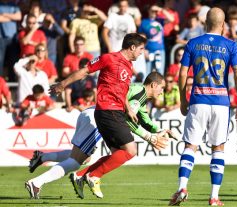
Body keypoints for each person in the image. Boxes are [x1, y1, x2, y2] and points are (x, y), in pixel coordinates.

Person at [49, 33, 174, 200]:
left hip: (111, 112)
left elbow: (121, 90)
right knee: (130, 151)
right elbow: (85, 71)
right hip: (108, 111)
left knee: (117, 153)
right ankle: (93, 176)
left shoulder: (129, 67)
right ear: (132, 47)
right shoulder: (109, 58)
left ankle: (81, 176)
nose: (142, 52)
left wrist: (128, 107)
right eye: (141, 49)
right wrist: (62, 84)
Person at [25, 72, 173, 199]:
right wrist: (149, 137)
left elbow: (145, 120)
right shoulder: (138, 95)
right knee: (77, 161)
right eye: (161, 87)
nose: (162, 91)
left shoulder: (139, 96)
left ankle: (43, 158)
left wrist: (159, 130)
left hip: (93, 114)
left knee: (87, 157)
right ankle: (37, 183)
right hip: (97, 119)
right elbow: (125, 119)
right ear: (153, 85)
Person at [168, 8, 237, 206]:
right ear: (224, 24)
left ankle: (182, 187)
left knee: (190, 146)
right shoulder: (231, 45)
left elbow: (183, 74)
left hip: (198, 100)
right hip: (221, 103)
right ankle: (214, 197)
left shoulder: (193, 43)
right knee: (218, 148)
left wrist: (184, 101)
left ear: (205, 24)